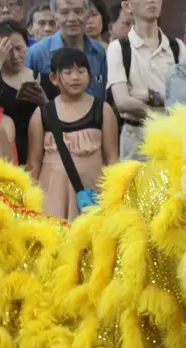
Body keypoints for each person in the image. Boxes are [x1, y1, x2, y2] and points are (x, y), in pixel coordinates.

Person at [27, 47, 118, 220]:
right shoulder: (42, 114)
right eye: (67, 72)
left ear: (89, 76)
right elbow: (34, 161)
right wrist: (29, 201)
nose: (75, 77)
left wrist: (114, 197)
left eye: (81, 71)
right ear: (54, 78)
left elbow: (112, 158)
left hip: (93, 192)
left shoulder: (103, 110)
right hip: (52, 193)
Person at [107, 0, 186, 159]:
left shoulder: (176, 47)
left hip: (172, 137)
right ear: (127, 6)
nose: (151, 0)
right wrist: (161, 112)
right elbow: (123, 102)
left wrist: (149, 96)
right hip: (136, 137)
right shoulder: (119, 48)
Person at [26, 0, 108, 102]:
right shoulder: (36, 53)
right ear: (55, 18)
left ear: (88, 15)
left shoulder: (98, 51)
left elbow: (102, 95)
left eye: (78, 11)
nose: (72, 18)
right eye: (64, 12)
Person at [0, 20, 47, 164]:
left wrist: (45, 103)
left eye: (19, 48)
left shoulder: (44, 79)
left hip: (38, 157)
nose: (15, 56)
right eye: (7, 51)